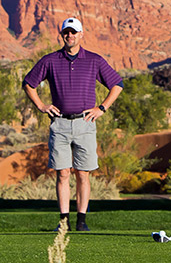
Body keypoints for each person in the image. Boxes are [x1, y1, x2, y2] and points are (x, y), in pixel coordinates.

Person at [23, 16, 124, 232]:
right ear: (62, 35)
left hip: (84, 123)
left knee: (83, 173)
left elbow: (117, 84)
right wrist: (41, 105)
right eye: (66, 32)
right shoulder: (50, 60)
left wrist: (102, 108)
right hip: (59, 124)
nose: (70, 36)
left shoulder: (94, 60)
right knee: (62, 173)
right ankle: (63, 221)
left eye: (73, 32)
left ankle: (81, 221)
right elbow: (29, 84)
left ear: (81, 34)